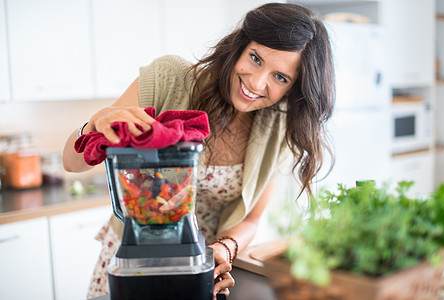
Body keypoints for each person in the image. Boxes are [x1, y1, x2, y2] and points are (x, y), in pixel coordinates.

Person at [62, 2, 335, 299]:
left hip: (202, 270)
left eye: (280, 77)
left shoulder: (280, 131)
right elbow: (72, 163)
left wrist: (225, 248)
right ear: (240, 46)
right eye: (255, 58)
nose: (257, 83)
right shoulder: (170, 80)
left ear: (294, 88)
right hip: (133, 263)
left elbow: (252, 219)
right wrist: (95, 123)